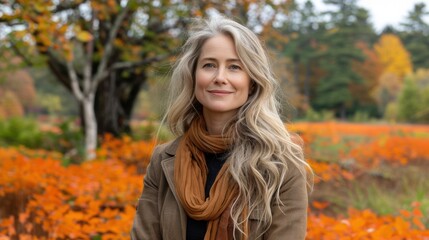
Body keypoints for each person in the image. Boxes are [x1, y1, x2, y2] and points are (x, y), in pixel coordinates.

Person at [131, 15, 313, 240]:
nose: (220, 77)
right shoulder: (163, 160)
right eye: (209, 65)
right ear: (194, 75)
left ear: (252, 81)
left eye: (234, 67)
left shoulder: (282, 164)